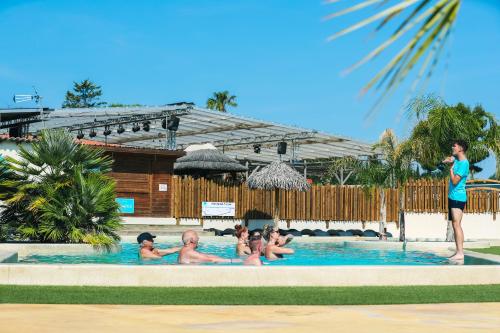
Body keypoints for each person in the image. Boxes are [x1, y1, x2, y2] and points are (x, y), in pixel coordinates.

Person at [443, 140, 470, 260]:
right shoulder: (458, 161)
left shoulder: (464, 163)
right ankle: (458, 252)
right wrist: (449, 161)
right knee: (454, 224)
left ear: (460, 149)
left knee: (457, 224)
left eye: (454, 146)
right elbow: (449, 160)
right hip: (453, 196)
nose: (452, 147)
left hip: (458, 197)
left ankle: (460, 253)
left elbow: (455, 181)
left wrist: (450, 169)